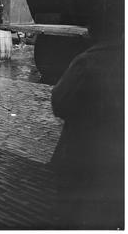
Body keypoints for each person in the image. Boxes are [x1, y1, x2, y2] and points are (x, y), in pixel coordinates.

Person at [50, 38, 124, 228]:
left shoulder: (88, 61)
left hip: (82, 154)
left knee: (74, 215)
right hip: (117, 160)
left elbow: (59, 102)